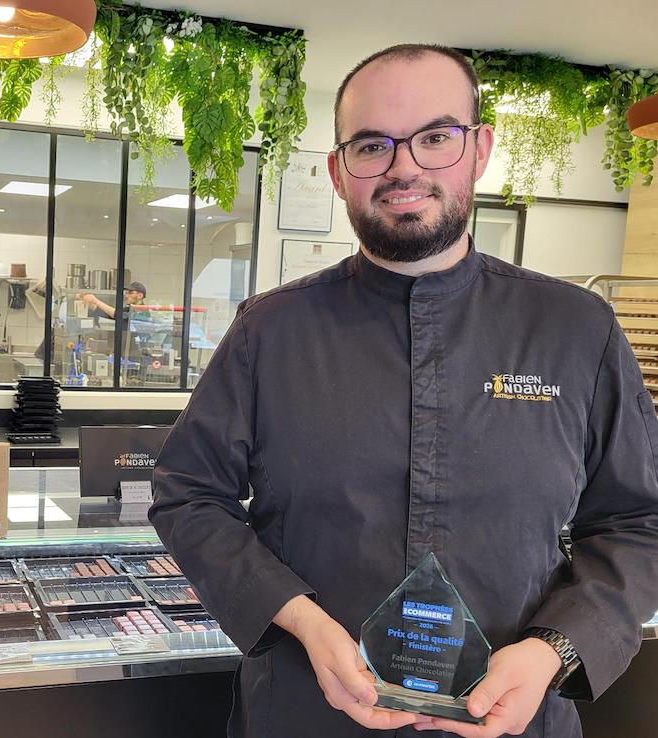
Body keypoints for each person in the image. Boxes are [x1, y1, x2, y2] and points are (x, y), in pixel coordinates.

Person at [149, 43, 658, 738]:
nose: (404, 167)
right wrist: (298, 618)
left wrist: (554, 651)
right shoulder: (267, 332)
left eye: (436, 137)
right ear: (337, 172)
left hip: (514, 723)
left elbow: (637, 522)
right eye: (371, 145)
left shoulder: (577, 331)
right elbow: (188, 494)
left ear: (480, 149)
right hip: (305, 715)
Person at [79, 281, 147, 319]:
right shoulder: (129, 308)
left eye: (130, 293)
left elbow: (118, 315)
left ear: (140, 296)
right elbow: (110, 315)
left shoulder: (141, 312)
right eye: (126, 293)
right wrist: (94, 307)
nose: (126, 296)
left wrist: (95, 301)